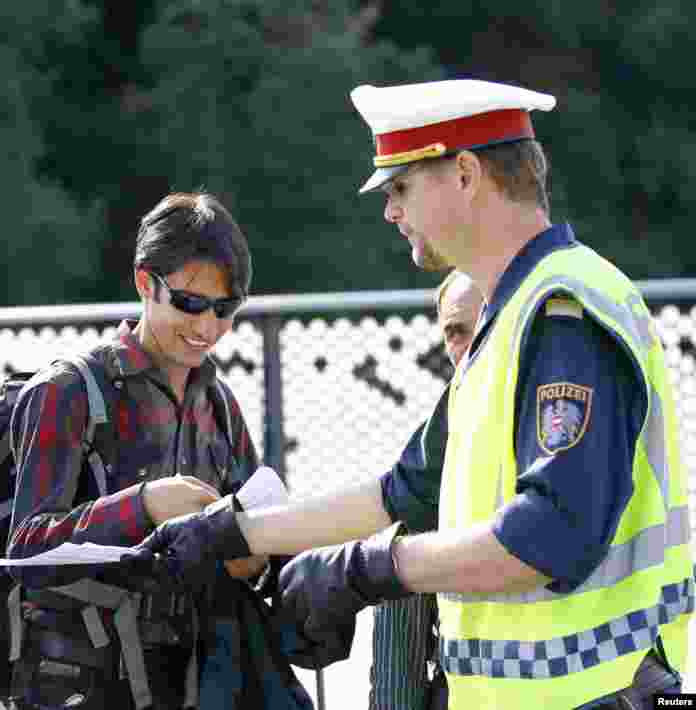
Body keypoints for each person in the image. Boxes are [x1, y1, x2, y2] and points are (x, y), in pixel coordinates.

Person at [131, 79, 692, 709]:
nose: (390, 212)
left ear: (465, 173)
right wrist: (236, 532)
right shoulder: (508, 320)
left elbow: (550, 533)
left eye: (400, 187)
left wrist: (371, 568)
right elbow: (400, 489)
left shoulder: (562, 313)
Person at [4, 192, 311, 710]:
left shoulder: (218, 403)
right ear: (146, 283)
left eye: (225, 309)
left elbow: (258, 533)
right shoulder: (70, 390)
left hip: (198, 678)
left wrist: (254, 559)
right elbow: (25, 549)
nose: (207, 327)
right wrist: (143, 504)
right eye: (191, 303)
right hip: (87, 686)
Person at [369, 270, 482, 710]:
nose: (473, 345)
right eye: (456, 332)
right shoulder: (435, 452)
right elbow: (399, 662)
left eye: (488, 323)